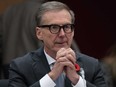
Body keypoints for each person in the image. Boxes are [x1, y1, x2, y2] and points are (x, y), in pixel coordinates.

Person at [8, 1, 107, 87]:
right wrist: (51, 76)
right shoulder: (20, 67)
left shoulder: (92, 65)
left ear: (73, 31)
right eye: (54, 27)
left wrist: (77, 80)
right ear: (39, 33)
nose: (62, 34)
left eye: (67, 27)